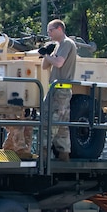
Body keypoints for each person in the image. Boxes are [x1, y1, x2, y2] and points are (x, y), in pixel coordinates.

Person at [41, 19, 77, 161]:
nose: (48, 33)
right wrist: (47, 53)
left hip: (61, 90)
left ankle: (44, 152)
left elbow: (59, 63)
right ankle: (64, 153)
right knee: (62, 124)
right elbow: (45, 66)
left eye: (51, 30)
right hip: (57, 89)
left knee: (49, 120)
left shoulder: (67, 43)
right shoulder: (58, 46)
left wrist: (47, 55)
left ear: (59, 29)